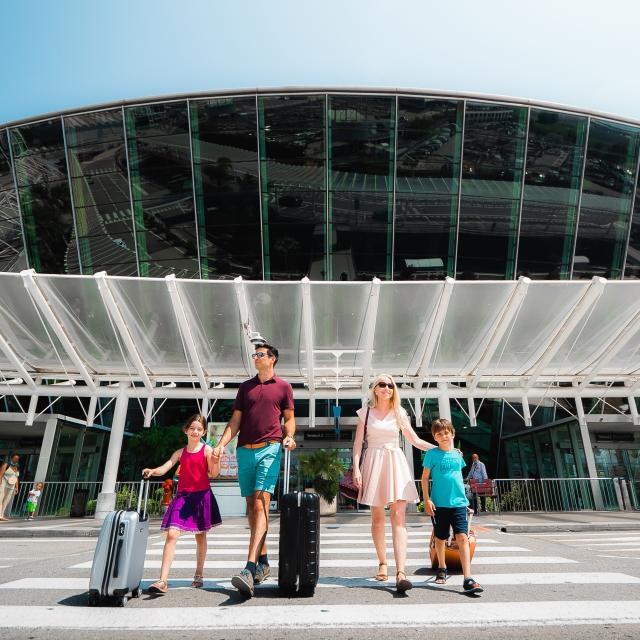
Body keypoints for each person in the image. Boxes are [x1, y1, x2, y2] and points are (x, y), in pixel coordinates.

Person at [213, 342, 295, 598]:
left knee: (260, 503)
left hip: (270, 448)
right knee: (251, 507)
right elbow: (235, 420)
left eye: (260, 354)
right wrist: (221, 444)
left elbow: (289, 418)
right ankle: (264, 562)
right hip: (244, 450)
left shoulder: (283, 387)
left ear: (272, 359)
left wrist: (289, 437)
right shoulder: (245, 387)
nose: (255, 357)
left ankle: (249, 568)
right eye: (254, 354)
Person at [352, 373, 436, 593]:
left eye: (390, 385)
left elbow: (414, 440)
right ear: (375, 389)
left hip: (394, 462)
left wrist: (439, 449)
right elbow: (358, 444)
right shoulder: (365, 412)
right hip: (373, 462)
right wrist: (356, 469)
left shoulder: (399, 412)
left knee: (398, 517)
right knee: (377, 518)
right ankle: (382, 562)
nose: (387, 387)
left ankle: (401, 572)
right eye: (382, 384)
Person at [143, 414, 221, 594]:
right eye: (192, 428)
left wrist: (217, 461)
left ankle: (199, 574)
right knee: (172, 534)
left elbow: (214, 473)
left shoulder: (207, 450)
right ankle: (162, 581)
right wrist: (153, 471)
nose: (195, 431)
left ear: (204, 432)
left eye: (199, 429)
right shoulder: (180, 452)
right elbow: (166, 467)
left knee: (200, 537)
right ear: (186, 430)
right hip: (182, 498)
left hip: (201, 497)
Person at [421, 418, 483, 594]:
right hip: (439, 504)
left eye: (446, 432)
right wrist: (426, 500)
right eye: (439, 434)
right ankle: (442, 567)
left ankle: (468, 578)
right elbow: (425, 478)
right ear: (434, 437)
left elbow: (457, 478)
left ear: (452, 434)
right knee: (440, 538)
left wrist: (465, 502)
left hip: (459, 503)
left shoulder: (458, 455)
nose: (443, 436)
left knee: (462, 537)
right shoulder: (431, 454)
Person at [0, 454, 20, 521]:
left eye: (17, 458)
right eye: (15, 458)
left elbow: (16, 477)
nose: (16, 459)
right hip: (3, 484)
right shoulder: (6, 464)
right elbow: (1, 473)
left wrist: (17, 487)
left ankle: (1, 515)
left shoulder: (17, 467)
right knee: (0, 499)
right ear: (11, 458)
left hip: (11, 486)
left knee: (6, 501)